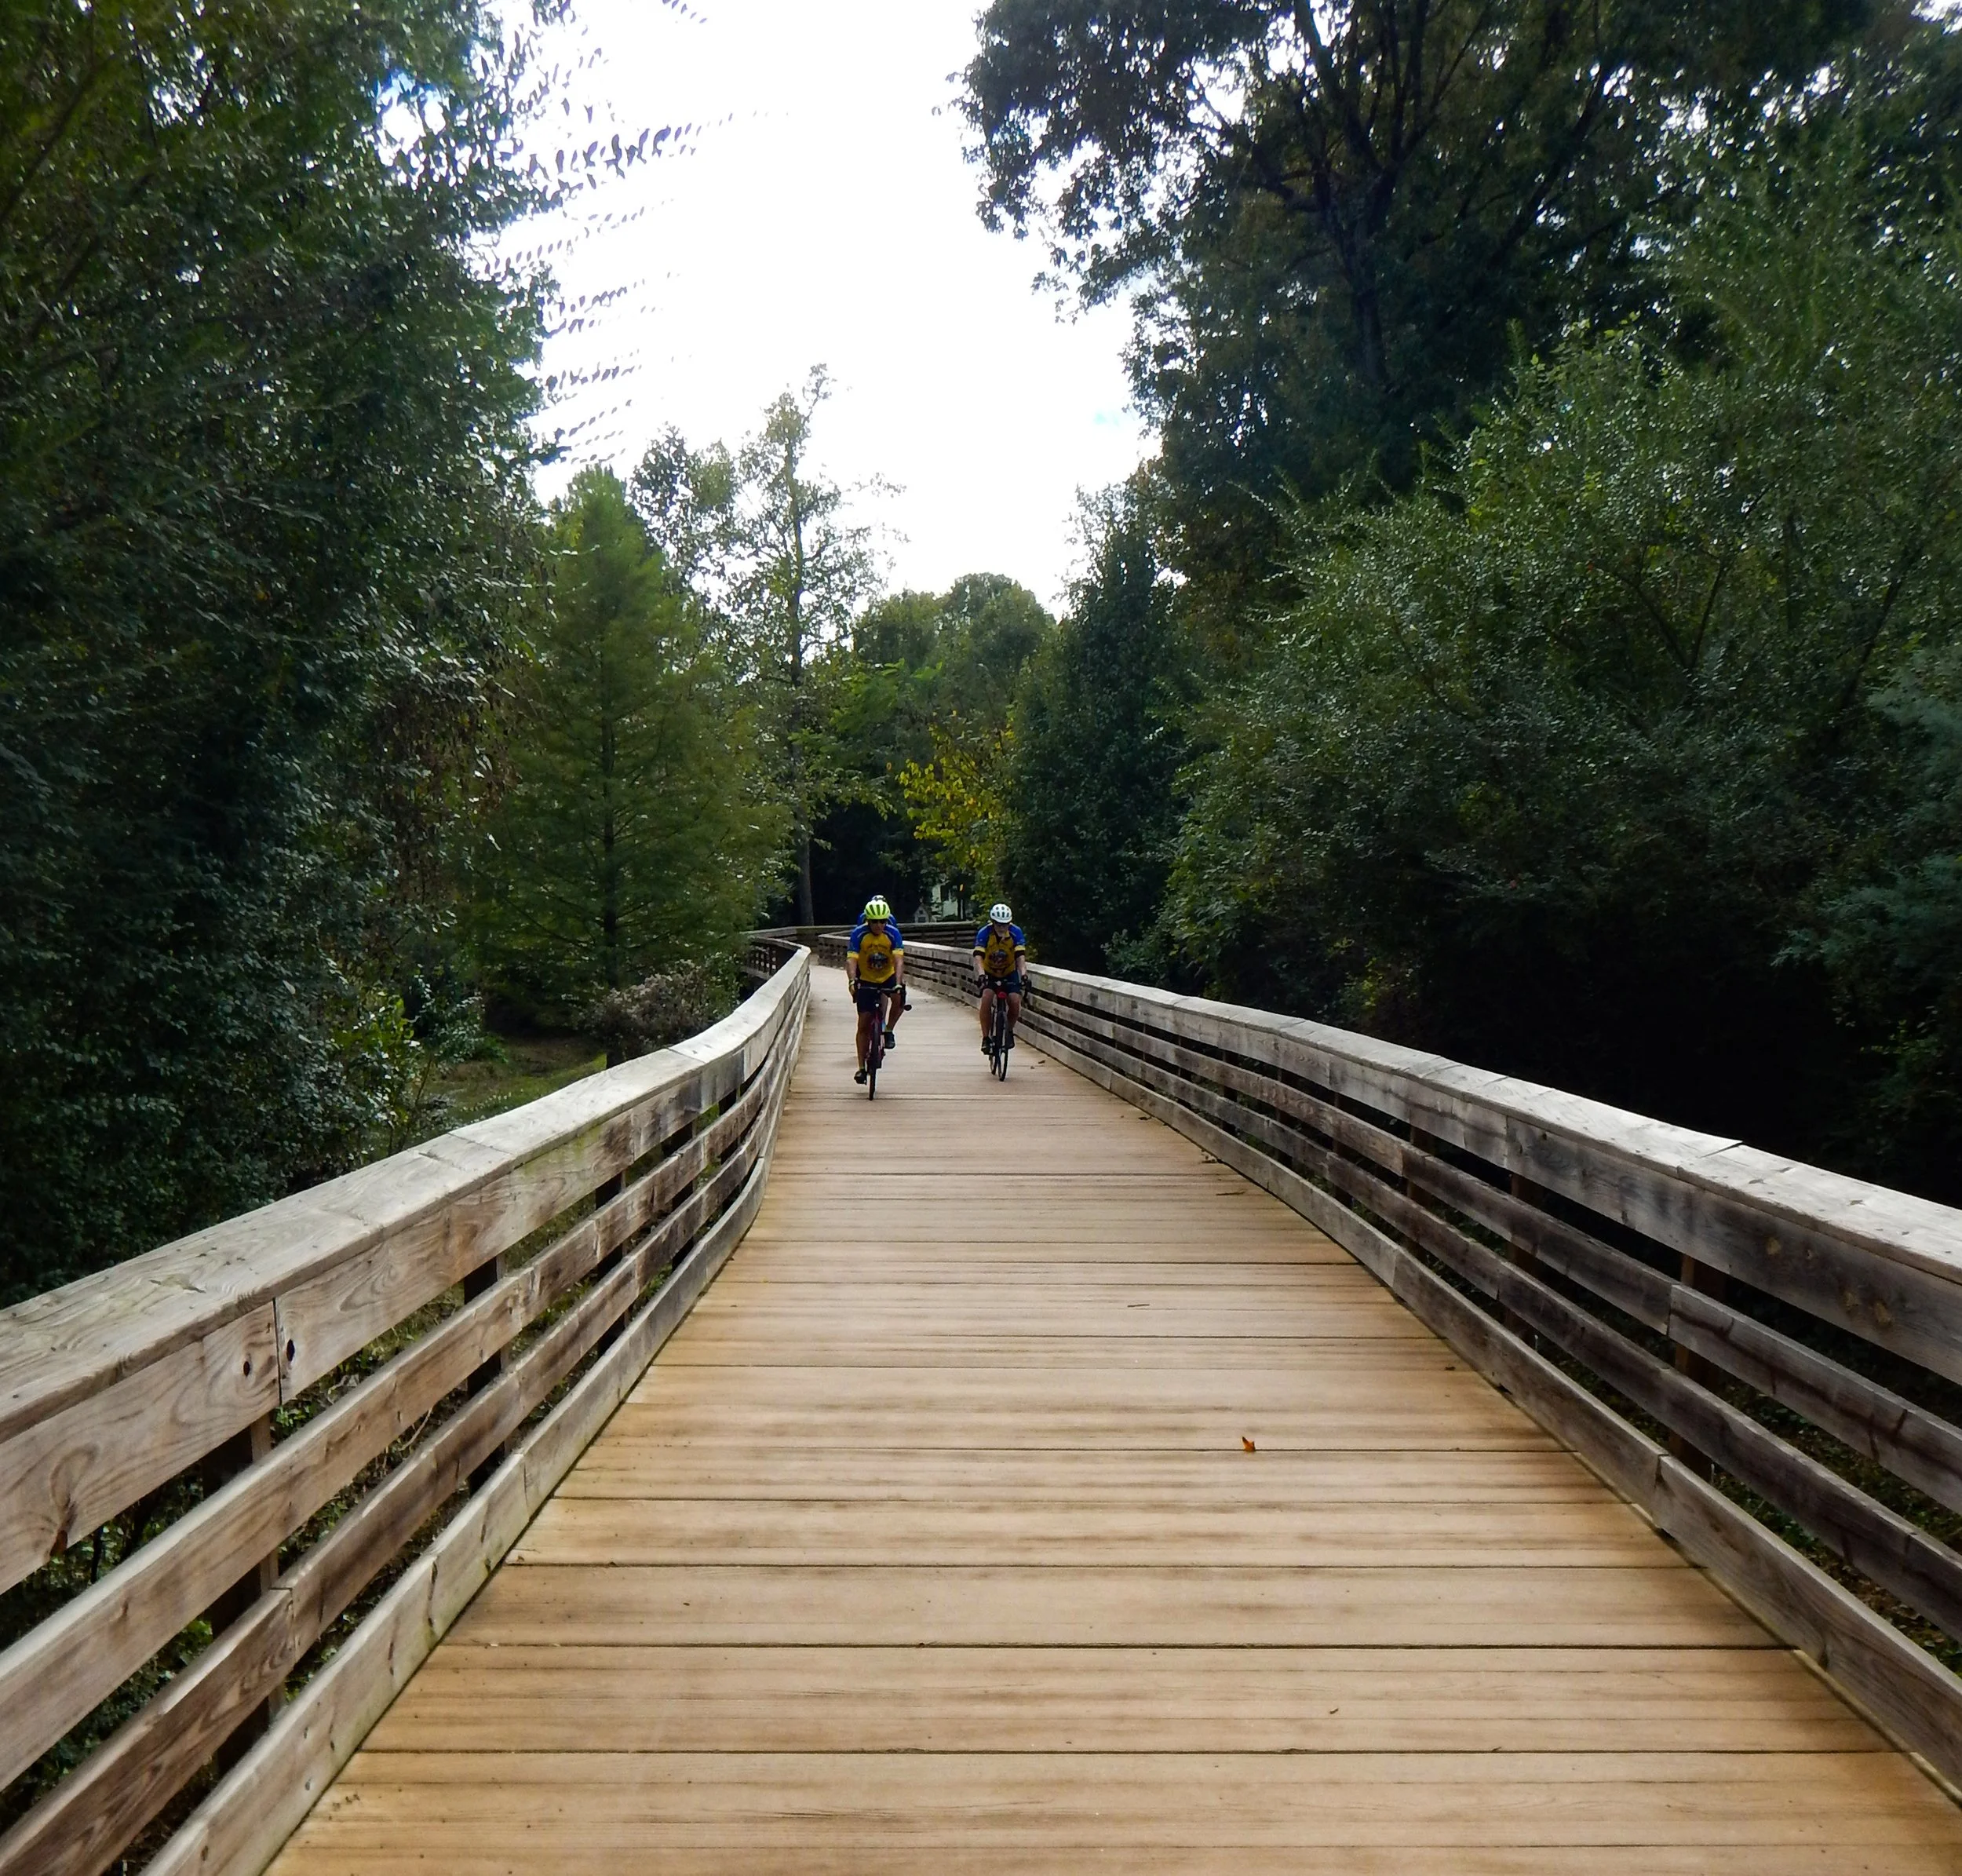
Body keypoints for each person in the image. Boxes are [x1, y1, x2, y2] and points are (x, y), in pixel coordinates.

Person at [844, 896, 905, 1084]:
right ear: (867, 920)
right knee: (863, 1024)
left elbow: (899, 960)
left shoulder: (893, 933)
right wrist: (852, 981)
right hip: (866, 978)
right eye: (875, 922)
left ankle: (888, 1030)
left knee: (900, 998)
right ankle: (861, 1068)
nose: (879, 925)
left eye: (883, 921)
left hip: (888, 976)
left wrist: (899, 981)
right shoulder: (859, 934)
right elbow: (851, 959)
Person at [973, 901, 1027, 1059]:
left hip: (1009, 972)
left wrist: (1024, 975)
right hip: (989, 972)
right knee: (987, 997)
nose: (1002, 928)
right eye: (998, 924)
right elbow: (978, 957)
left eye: (1005, 924)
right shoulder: (984, 933)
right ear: (993, 922)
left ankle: (1008, 1031)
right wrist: (981, 975)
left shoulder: (1016, 933)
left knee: (1015, 1001)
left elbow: (1021, 958)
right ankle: (986, 1038)